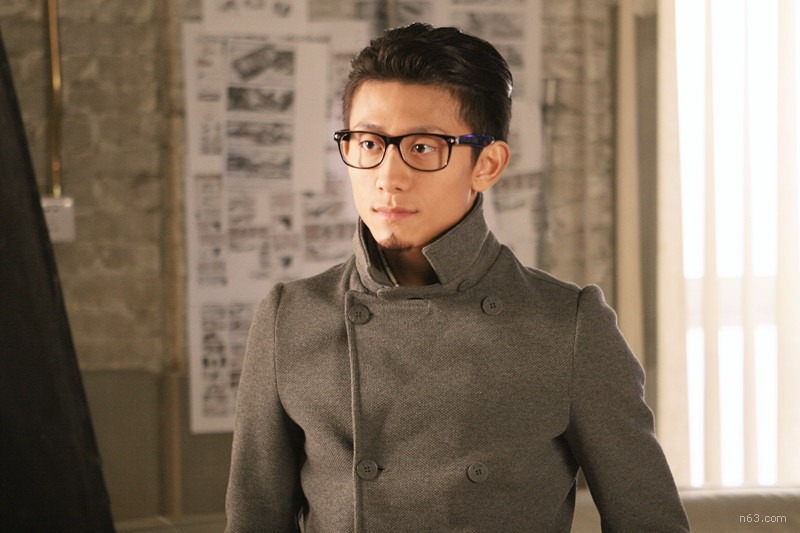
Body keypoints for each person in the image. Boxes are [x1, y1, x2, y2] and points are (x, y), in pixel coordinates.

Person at [225, 22, 689, 532]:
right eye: (369, 143)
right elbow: (254, 522)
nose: (388, 177)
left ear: (487, 164)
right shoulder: (289, 318)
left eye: (423, 147)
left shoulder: (567, 326)